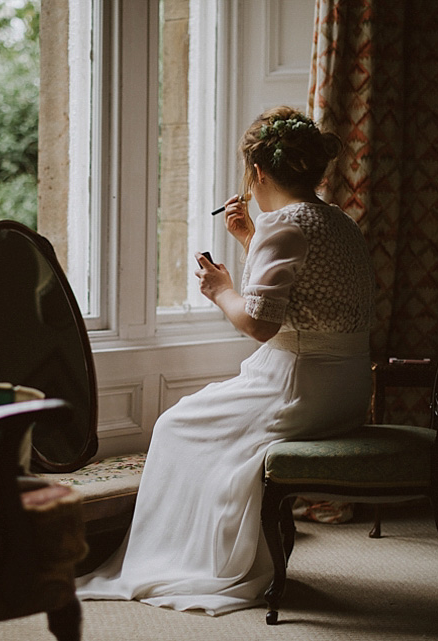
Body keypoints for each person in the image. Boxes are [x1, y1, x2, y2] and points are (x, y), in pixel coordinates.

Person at [76, 106, 375, 615]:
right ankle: (208, 543)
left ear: (256, 173)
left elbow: (260, 323)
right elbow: (301, 286)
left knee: (174, 426)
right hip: (346, 388)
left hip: (298, 387)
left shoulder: (284, 226)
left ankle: (189, 561)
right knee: (199, 421)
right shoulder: (338, 221)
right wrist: (247, 239)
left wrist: (220, 289)